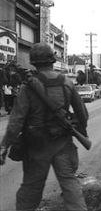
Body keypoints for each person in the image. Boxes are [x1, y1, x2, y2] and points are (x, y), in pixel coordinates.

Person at [0, 42, 89, 211]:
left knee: (30, 192)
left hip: (37, 147)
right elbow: (83, 115)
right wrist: (79, 131)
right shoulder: (67, 83)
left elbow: (16, 122)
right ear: (52, 60)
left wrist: (4, 146)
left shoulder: (28, 88)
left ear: (34, 62)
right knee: (71, 188)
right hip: (63, 144)